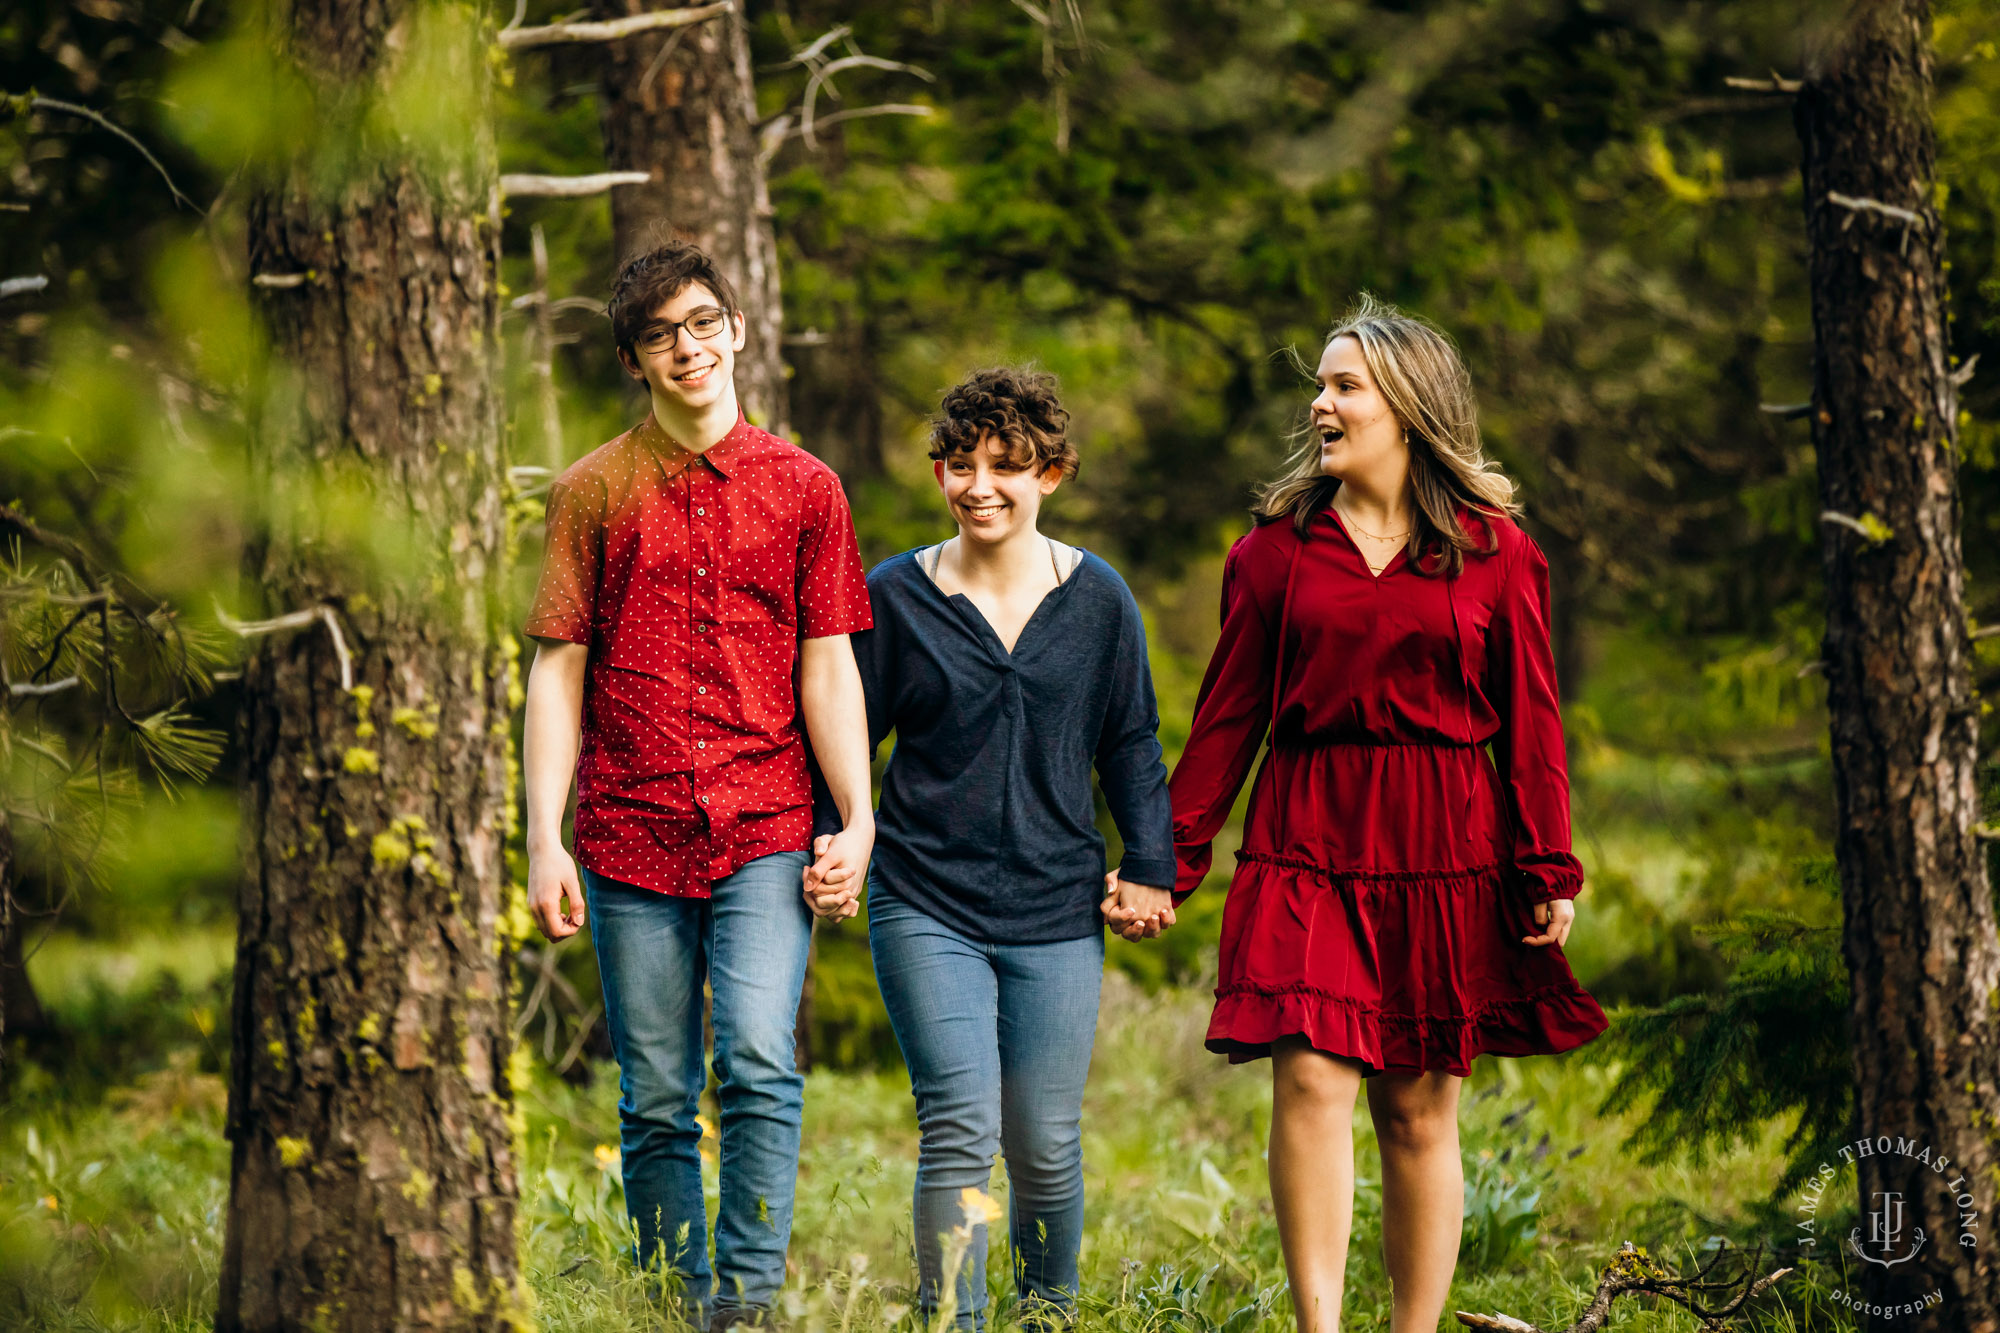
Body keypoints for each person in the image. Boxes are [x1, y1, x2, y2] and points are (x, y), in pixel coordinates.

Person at [1167, 296, 1609, 1333]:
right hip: (1306, 833)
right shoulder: (1272, 554)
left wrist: (1546, 866)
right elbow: (1226, 718)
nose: (1318, 404)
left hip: (1445, 844)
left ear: (1406, 407)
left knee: (1414, 1107)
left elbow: (1533, 725)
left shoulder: (1498, 553)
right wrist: (1167, 859)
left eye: (1341, 386)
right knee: (1310, 1078)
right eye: (1318, 386)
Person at [519, 240, 876, 1333]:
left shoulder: (807, 488)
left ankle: (749, 1307)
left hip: (767, 821)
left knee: (762, 1060)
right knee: (658, 1095)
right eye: (664, 333)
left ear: (734, 329)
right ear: (634, 357)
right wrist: (544, 839)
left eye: (704, 321)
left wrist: (858, 816)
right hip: (627, 831)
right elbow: (555, 671)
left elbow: (828, 663)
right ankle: (676, 1308)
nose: (691, 346)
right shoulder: (591, 492)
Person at [815, 368, 1176, 1331]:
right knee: (960, 1131)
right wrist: (834, 837)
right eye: (961, 464)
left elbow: (1131, 742)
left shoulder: (1099, 600)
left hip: (1056, 906)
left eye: (1006, 467)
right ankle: (955, 1325)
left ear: (1050, 474)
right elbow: (847, 732)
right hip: (925, 900)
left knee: (1046, 1143)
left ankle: (1047, 1315)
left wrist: (1149, 861)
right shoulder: (894, 595)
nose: (980, 485)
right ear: (939, 470)